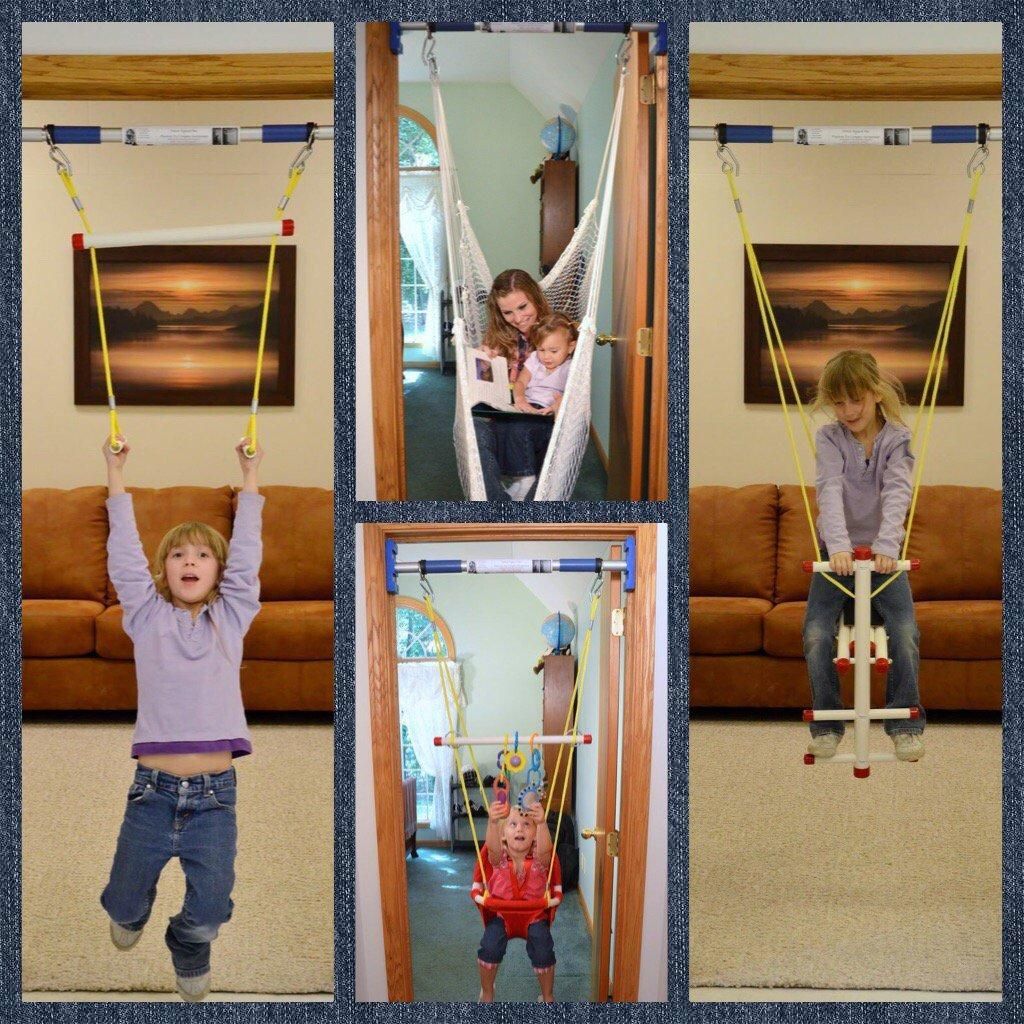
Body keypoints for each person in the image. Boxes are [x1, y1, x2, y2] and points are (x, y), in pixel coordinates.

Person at [99, 434, 264, 1002]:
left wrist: (249, 482)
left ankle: (187, 944)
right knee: (121, 905)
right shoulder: (145, 616)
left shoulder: (233, 615)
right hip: (152, 793)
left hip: (216, 797)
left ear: (219, 573)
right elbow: (123, 556)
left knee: (213, 906)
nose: (189, 562)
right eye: (177, 555)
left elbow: (247, 558)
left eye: (201, 555)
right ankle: (133, 910)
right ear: (162, 570)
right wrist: (116, 477)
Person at [803, 350, 925, 762]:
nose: (848, 410)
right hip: (836, 556)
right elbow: (829, 491)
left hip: (884, 558)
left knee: (905, 635)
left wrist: (888, 547)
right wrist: (836, 546)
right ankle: (827, 724)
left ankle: (904, 725)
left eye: (855, 399)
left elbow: (897, 493)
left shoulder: (898, 438)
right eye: (838, 402)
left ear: (875, 393)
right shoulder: (829, 438)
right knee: (817, 634)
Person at [473, 269, 557, 501]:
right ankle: (498, 505)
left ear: (535, 298)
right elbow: (484, 382)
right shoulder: (499, 336)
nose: (518, 318)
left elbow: (569, 379)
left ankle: (527, 493)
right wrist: (484, 360)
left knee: (522, 430)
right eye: (507, 312)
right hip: (505, 415)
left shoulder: (557, 333)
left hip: (540, 417)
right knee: (474, 430)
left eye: (523, 307)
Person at [477, 800, 557, 1003]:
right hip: (502, 915)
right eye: (513, 824)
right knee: (489, 948)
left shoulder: (539, 859)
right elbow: (491, 848)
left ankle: (547, 995)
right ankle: (487, 991)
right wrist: (493, 823)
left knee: (543, 950)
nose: (520, 828)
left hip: (535, 915)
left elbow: (548, 852)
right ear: (504, 834)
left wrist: (542, 824)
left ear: (534, 835)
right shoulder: (499, 858)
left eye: (527, 825)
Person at [513, 313, 577, 417]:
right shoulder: (535, 358)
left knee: (524, 429)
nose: (546, 356)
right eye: (541, 349)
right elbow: (520, 382)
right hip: (527, 405)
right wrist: (520, 399)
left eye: (554, 351)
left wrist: (557, 405)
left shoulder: (570, 367)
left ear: (570, 347)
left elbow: (573, 395)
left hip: (548, 412)